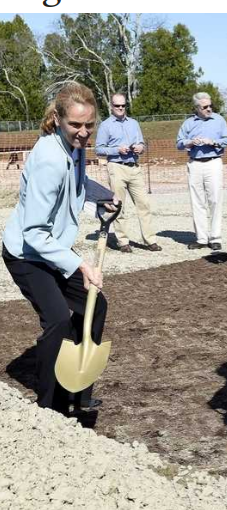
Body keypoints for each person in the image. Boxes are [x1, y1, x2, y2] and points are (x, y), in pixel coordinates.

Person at [2, 83, 117, 416]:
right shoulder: (49, 159)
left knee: (95, 307)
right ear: (58, 119)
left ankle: (78, 391)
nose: (83, 133)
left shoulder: (74, 148)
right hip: (26, 254)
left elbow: (78, 183)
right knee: (57, 321)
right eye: (75, 126)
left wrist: (104, 197)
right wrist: (81, 265)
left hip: (52, 251)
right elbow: (34, 232)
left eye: (89, 125)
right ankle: (49, 408)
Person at [96, 93, 161, 254]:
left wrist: (140, 147)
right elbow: (99, 148)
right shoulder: (105, 125)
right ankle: (123, 241)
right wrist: (116, 149)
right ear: (111, 106)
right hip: (116, 166)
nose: (120, 108)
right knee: (119, 206)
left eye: (123, 105)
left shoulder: (134, 123)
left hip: (134, 166)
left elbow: (141, 143)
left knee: (143, 204)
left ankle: (150, 240)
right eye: (117, 106)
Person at [176, 92, 227, 251]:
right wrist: (190, 142)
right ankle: (201, 238)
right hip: (195, 164)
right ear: (196, 108)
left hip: (213, 162)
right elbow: (179, 143)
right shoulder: (188, 123)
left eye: (210, 106)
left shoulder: (219, 120)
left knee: (215, 200)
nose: (209, 109)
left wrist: (214, 142)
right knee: (197, 201)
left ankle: (215, 237)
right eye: (205, 107)